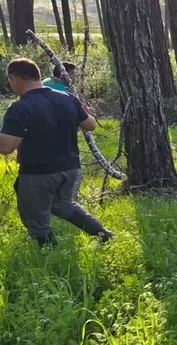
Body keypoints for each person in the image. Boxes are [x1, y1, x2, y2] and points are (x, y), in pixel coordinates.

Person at [0, 58, 115, 246]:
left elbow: (6, 147)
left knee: (36, 221)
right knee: (64, 205)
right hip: (71, 168)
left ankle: (50, 261)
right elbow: (90, 124)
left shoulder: (20, 107)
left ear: (14, 79)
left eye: (10, 81)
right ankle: (106, 236)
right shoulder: (67, 98)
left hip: (39, 173)